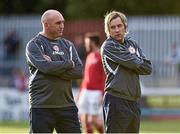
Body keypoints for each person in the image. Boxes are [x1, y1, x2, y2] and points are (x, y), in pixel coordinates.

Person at [25, 9, 83, 133]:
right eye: (58, 23)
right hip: (41, 106)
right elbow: (46, 67)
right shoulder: (34, 45)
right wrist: (69, 63)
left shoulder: (68, 45)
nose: (62, 26)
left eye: (63, 22)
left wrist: (52, 66)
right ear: (46, 24)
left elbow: (79, 72)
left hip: (67, 106)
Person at [101, 11, 152, 133]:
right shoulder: (108, 46)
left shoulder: (132, 43)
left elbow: (148, 68)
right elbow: (135, 63)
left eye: (119, 26)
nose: (117, 30)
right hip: (116, 100)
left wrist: (132, 60)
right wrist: (134, 60)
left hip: (134, 102)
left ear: (125, 26)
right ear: (108, 30)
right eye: (113, 27)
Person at [78, 32, 106, 133]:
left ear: (93, 43)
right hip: (86, 91)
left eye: (87, 42)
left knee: (93, 120)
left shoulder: (101, 56)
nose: (85, 44)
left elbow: (104, 77)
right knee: (84, 119)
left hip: (96, 92)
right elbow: (85, 76)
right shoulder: (89, 56)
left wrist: (103, 93)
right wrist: (81, 92)